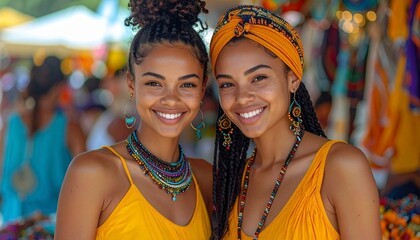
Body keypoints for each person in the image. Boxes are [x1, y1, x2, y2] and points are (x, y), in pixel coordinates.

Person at [210, 5, 380, 239]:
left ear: (292, 79)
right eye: (227, 84)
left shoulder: (341, 167)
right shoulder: (234, 181)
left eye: (258, 78)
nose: (242, 97)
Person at [54, 0, 212, 239]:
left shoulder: (206, 178)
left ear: (202, 89)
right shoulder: (92, 173)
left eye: (187, 84)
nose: (171, 99)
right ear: (131, 84)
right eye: (154, 83)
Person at [0, 56, 86, 224]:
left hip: (11, 224)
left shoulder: (11, 123)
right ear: (58, 88)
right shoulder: (70, 128)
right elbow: (86, 184)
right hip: (53, 225)